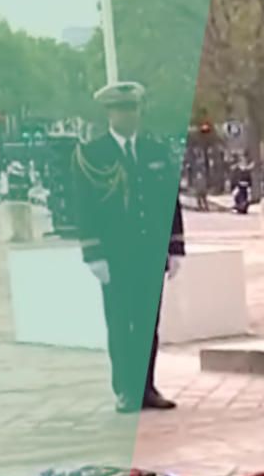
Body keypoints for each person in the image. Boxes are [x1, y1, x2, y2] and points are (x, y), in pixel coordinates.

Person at [71, 81, 183, 413]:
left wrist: (176, 247)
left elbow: (169, 202)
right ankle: (125, 389)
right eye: (121, 110)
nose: (128, 115)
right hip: (117, 256)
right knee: (121, 323)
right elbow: (84, 208)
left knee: (148, 323)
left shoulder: (155, 150)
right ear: (109, 113)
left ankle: (147, 387)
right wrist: (93, 252)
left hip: (149, 253)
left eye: (133, 109)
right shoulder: (92, 154)